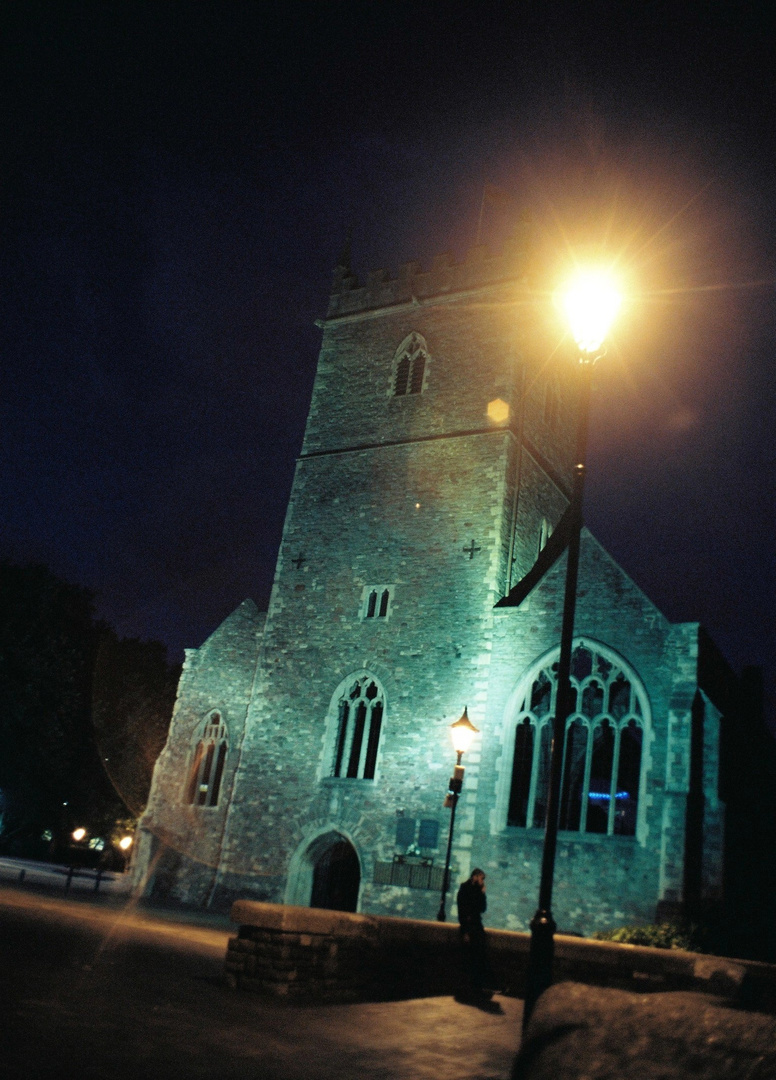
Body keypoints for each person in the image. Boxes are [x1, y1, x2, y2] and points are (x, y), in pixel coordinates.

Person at [456, 867, 494, 998]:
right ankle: (472, 987)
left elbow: (482, 909)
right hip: (470, 926)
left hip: (477, 926)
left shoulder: (478, 891)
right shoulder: (464, 890)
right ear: (475, 876)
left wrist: (482, 894)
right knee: (471, 958)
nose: (482, 881)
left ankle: (480, 986)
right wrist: (465, 932)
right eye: (481, 878)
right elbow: (462, 912)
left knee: (480, 956)